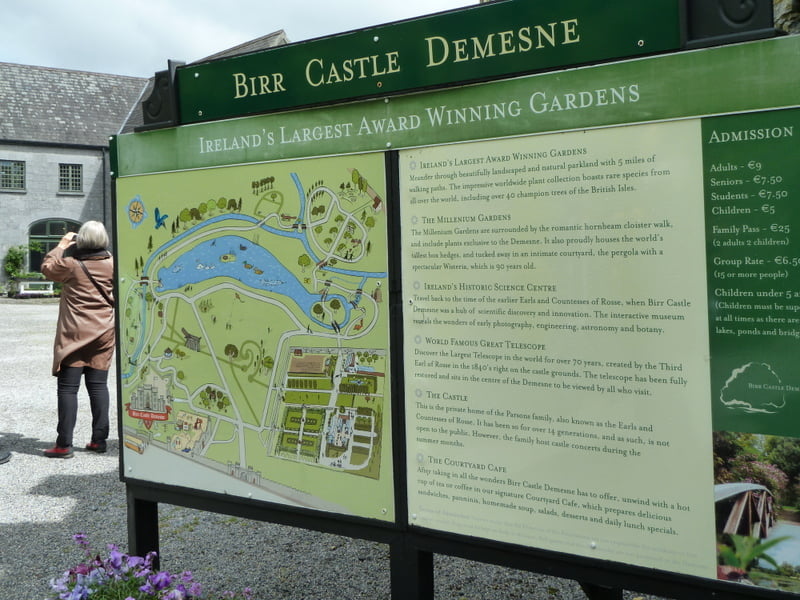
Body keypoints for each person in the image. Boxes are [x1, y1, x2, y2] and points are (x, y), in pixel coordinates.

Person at [41, 221, 115, 458]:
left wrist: (62, 244)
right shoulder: (112, 263)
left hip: (74, 335)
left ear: (80, 240)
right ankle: (99, 441)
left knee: (68, 389)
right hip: (103, 333)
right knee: (98, 387)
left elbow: (47, 267)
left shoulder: (71, 265)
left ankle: (64, 445)